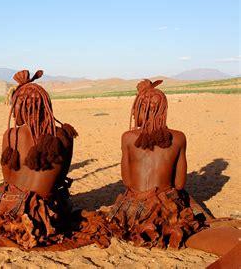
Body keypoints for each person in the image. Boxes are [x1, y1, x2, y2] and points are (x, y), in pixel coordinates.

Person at [74, 80, 240, 258]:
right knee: (192, 207)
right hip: (166, 208)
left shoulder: (128, 137)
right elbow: (180, 184)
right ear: (163, 109)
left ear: (138, 109)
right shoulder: (178, 138)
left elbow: (128, 182)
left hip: (132, 210)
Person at [0, 70, 79, 250]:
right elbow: (60, 177)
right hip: (37, 216)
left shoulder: (11, 135)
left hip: (6, 207)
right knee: (66, 202)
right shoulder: (63, 135)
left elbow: (7, 178)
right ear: (45, 105)